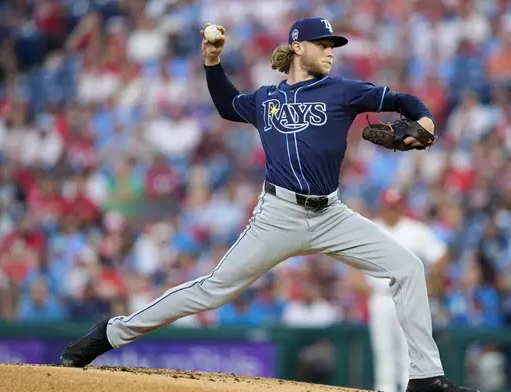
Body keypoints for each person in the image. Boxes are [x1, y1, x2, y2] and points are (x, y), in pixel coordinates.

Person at [59, 17, 479, 392]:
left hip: (331, 214)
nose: (331, 52)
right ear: (299, 47)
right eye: (324, 44)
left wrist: (424, 121)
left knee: (408, 267)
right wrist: (212, 60)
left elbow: (404, 100)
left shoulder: (344, 91)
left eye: (333, 45)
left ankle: (424, 377)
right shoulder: (266, 100)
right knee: (211, 290)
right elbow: (226, 105)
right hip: (278, 215)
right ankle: (109, 334)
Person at [350, 188, 449, 392]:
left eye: (395, 207)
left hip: (408, 296)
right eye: (388, 207)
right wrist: (360, 280)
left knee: (409, 354)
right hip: (380, 297)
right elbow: (352, 259)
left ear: (402, 208)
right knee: (383, 353)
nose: (391, 211)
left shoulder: (415, 230)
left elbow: (440, 256)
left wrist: (430, 283)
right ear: (382, 207)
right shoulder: (370, 228)